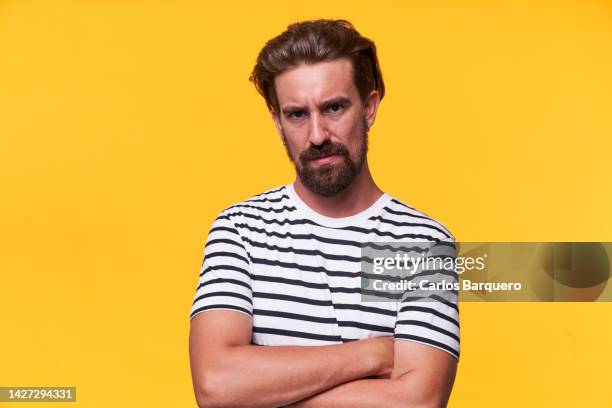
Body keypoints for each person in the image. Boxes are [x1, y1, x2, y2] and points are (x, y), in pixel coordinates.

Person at [189, 19, 459, 408]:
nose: (316, 135)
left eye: (333, 108)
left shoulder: (424, 245)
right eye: (297, 114)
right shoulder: (240, 230)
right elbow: (216, 385)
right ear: (278, 122)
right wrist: (371, 355)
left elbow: (416, 402)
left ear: (368, 107)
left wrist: (263, 392)